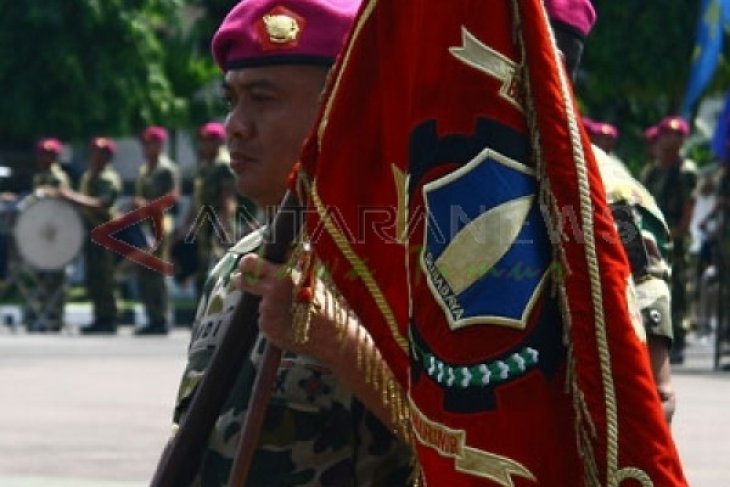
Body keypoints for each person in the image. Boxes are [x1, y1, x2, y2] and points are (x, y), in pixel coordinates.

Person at [167, 1, 413, 486]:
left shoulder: (412, 270)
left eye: (263, 98)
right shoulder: (237, 263)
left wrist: (340, 343)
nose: (235, 125)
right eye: (232, 100)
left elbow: (469, 451)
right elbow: (197, 440)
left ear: (341, 110)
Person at [642, 116, 698, 363]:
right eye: (668, 134)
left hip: (674, 238)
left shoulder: (686, 171)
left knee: (678, 286)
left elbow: (688, 207)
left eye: (677, 134)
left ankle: (679, 337)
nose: (672, 139)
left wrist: (678, 233)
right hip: (653, 237)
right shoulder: (652, 171)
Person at [55, 137, 122, 334]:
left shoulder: (108, 178)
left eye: (99, 152)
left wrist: (72, 197)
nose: (94, 156)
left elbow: (103, 203)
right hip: (91, 232)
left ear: (107, 156)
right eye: (93, 151)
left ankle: (109, 317)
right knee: (94, 276)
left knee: (105, 276)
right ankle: (99, 316)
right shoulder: (89, 175)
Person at [178, 122, 238, 298]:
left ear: (218, 142)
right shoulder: (205, 166)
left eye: (208, 140)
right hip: (204, 226)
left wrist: (223, 226)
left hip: (217, 225)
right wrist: (187, 223)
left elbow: (228, 197)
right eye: (202, 140)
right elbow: (197, 199)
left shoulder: (223, 165)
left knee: (219, 270)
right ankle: (202, 314)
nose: (203, 144)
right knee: (203, 272)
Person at [134, 126, 180, 335]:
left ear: (160, 145)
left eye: (151, 143)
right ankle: (151, 316)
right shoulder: (145, 170)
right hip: (145, 224)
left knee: (157, 271)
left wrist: (148, 205)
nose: (147, 148)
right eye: (145, 143)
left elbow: (173, 200)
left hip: (161, 223)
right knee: (144, 272)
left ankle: (161, 318)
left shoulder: (166, 170)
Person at [30, 138, 71, 332]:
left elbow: (62, 198)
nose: (44, 158)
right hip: (42, 232)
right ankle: (42, 313)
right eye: (42, 154)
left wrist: (48, 193)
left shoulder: (58, 178)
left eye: (49, 154)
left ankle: (55, 316)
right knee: (42, 275)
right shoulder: (39, 178)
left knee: (56, 276)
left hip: (56, 233)